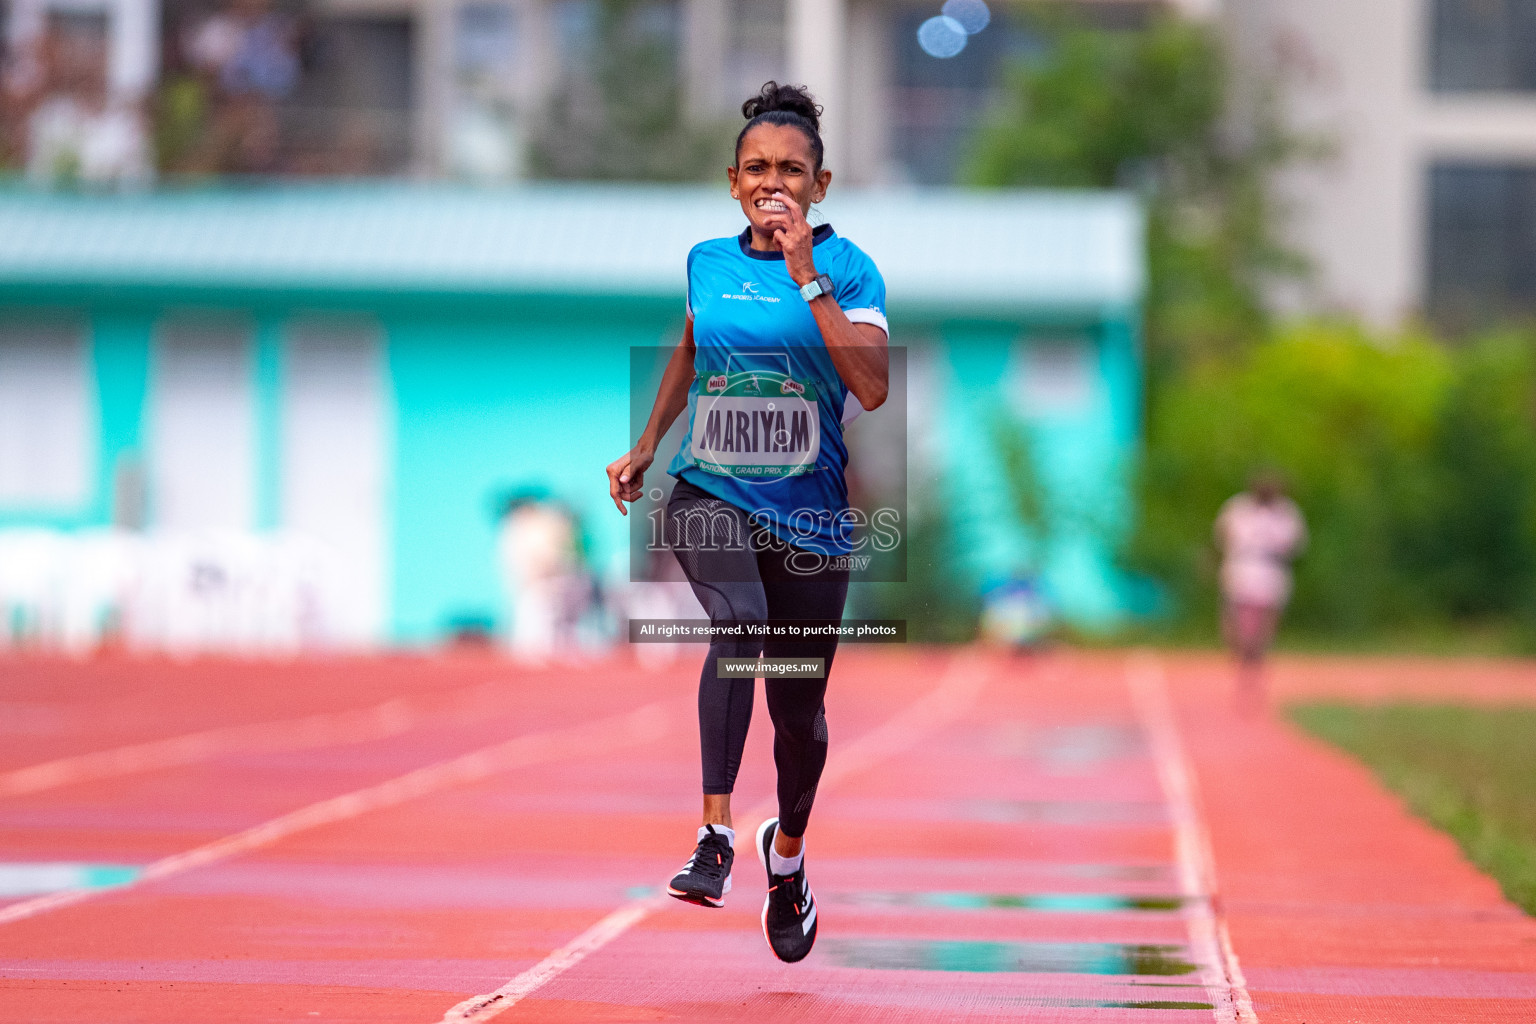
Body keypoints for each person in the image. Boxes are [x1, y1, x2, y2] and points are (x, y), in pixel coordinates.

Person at [606, 82, 888, 963]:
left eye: (792, 171)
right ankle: (714, 838)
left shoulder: (851, 272)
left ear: (821, 184)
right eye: (758, 169)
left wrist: (806, 276)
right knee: (738, 626)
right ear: (733, 182)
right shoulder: (704, 261)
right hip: (710, 490)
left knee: (798, 715)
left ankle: (789, 856)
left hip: (809, 522)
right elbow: (691, 346)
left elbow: (872, 388)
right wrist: (647, 443)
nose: (774, 183)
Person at [1214, 471, 1306, 708]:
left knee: (1266, 622)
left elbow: (1295, 545)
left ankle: (1256, 660)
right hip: (1242, 566)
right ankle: (1242, 653)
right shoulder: (1236, 508)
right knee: (1235, 619)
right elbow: (1221, 535)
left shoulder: (1287, 512)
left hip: (1271, 570)